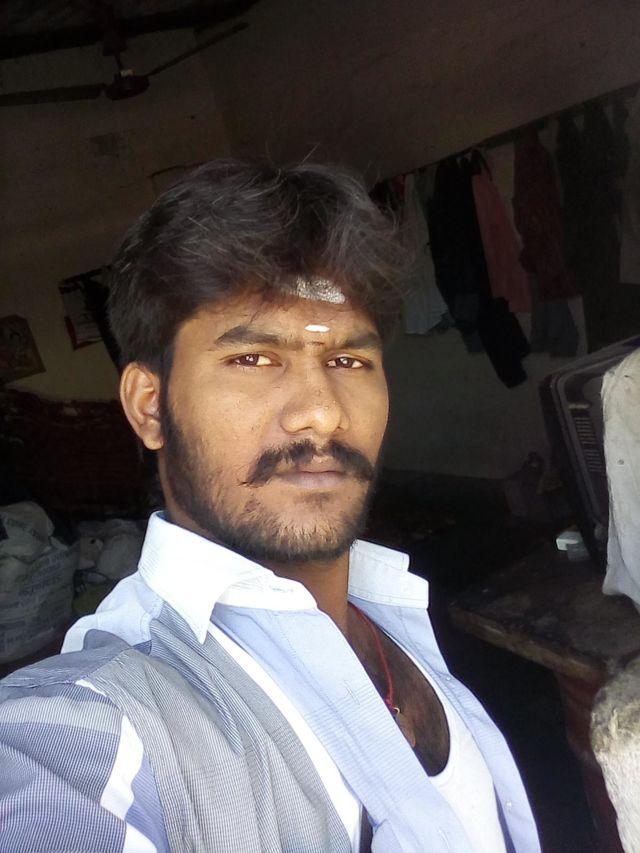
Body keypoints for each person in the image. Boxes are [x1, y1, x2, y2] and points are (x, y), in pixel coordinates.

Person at [0, 160, 540, 852]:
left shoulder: (389, 613)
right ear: (150, 406)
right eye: (253, 359)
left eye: (348, 361)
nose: (322, 413)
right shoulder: (92, 724)